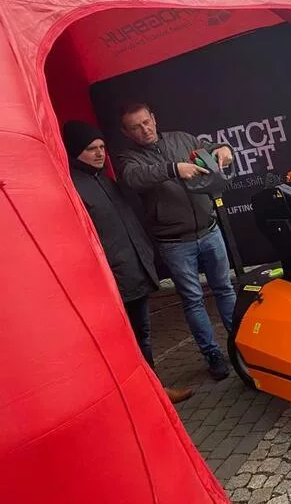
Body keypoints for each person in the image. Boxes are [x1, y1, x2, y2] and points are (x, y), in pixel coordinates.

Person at [62, 120, 193, 404]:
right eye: (91, 149)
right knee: (126, 340)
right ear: (75, 151)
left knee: (142, 335)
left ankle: (152, 391)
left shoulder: (107, 181)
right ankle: (146, 395)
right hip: (111, 280)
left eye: (101, 147)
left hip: (132, 273)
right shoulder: (72, 188)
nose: (99, 153)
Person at [115, 102, 236, 381]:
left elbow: (209, 147)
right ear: (126, 132)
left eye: (146, 122)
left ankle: (240, 342)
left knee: (225, 289)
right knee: (193, 300)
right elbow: (134, 178)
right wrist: (173, 169)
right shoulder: (128, 158)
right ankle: (212, 354)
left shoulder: (182, 139)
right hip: (174, 242)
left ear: (154, 118)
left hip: (209, 230)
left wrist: (223, 148)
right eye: (136, 127)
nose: (144, 130)